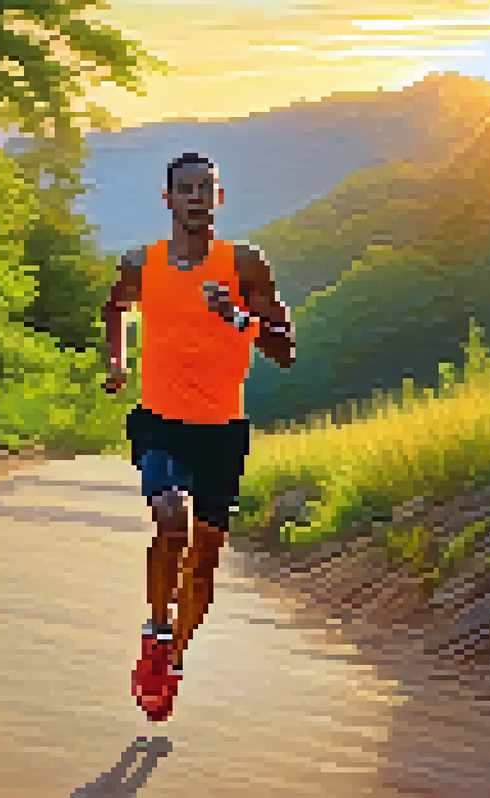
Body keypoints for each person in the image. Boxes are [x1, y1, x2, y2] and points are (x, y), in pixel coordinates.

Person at [102, 151, 296, 722]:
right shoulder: (143, 263)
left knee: (206, 558)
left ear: (217, 197)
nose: (196, 197)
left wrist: (236, 316)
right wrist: (117, 360)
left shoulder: (246, 265)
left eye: (205, 188)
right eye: (185, 188)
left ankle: (174, 662)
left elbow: (284, 350)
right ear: (167, 198)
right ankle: (156, 631)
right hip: (160, 420)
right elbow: (115, 308)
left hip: (222, 432)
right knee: (169, 520)